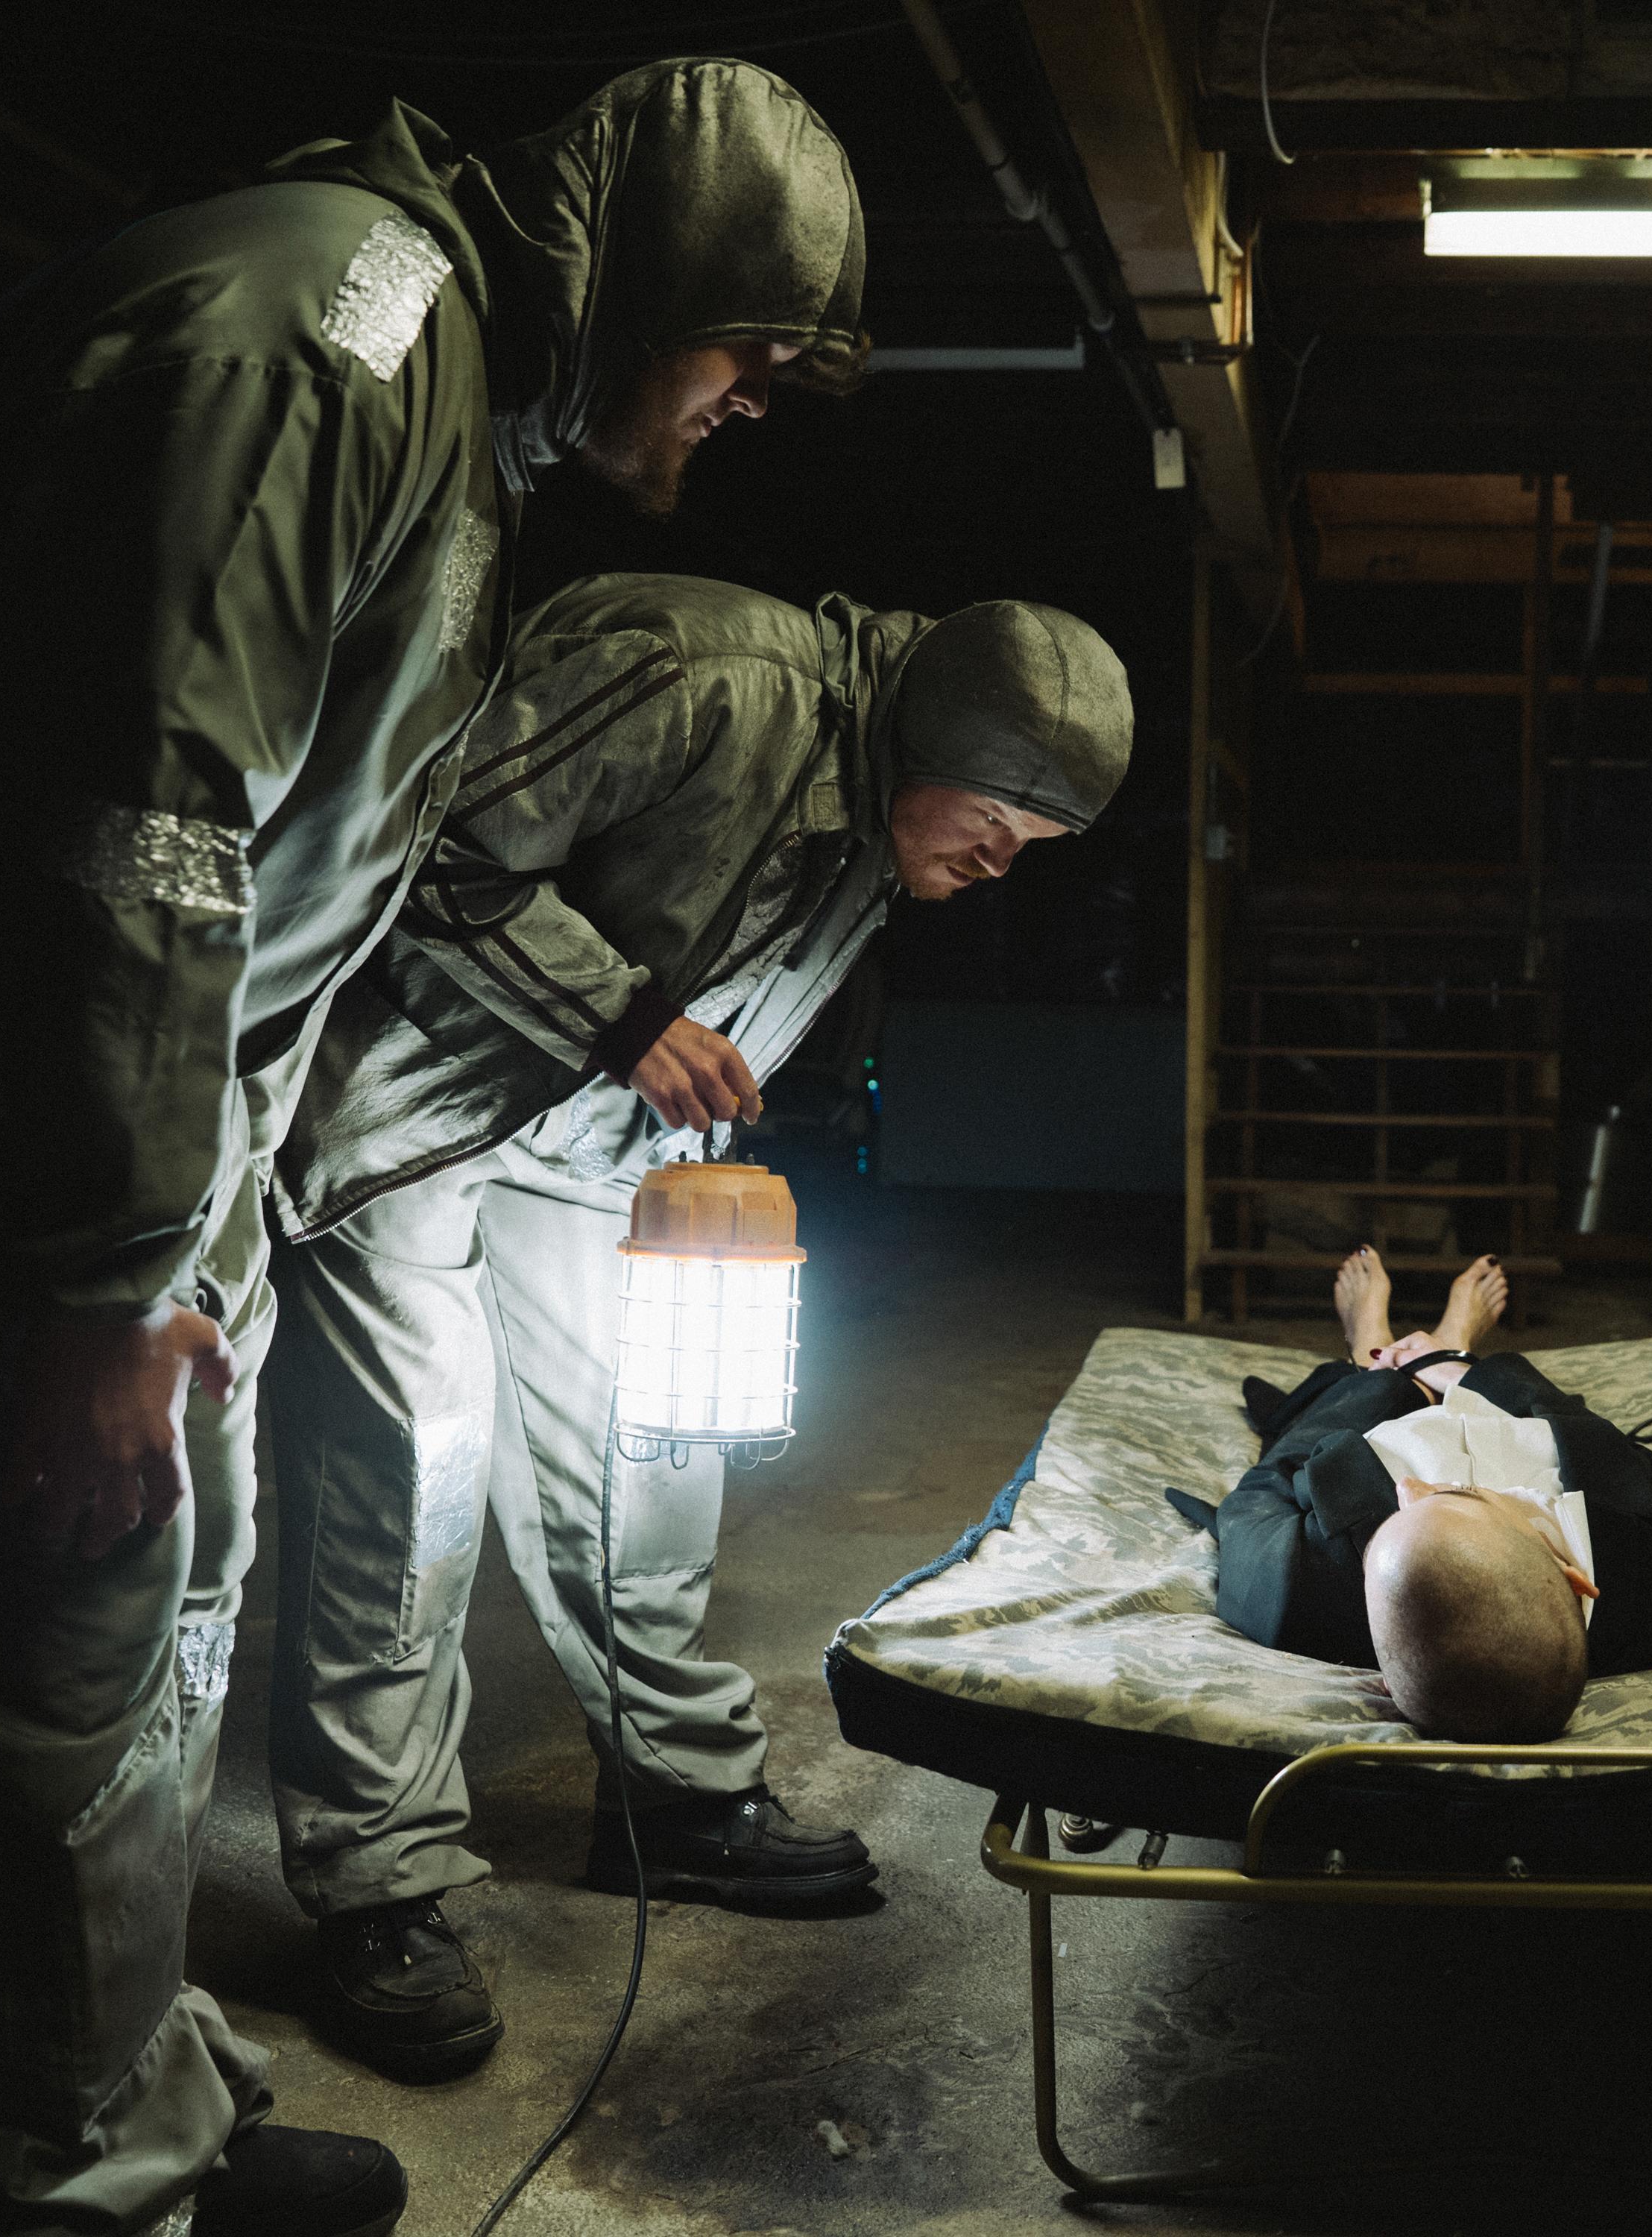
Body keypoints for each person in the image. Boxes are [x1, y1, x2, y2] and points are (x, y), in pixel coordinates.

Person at [0, 66, 866, 2237]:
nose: (750, 406)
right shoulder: (333, 336)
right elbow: (149, 820)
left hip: (119, 1160)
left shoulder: (429, 386)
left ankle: (139, 2111)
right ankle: (52, 2197)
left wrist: (198, 1218)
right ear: (656, 280)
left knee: (157, 1632)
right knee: (44, 1684)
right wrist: (104, 1273)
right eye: (751, 354)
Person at [261, 573, 1132, 2078]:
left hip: (588, 1151)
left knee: (643, 1462)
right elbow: (417, 840)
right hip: (408, 1116)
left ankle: (674, 1800)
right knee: (411, 1487)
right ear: (932, 742)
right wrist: (623, 1019)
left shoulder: (882, 806)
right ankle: (377, 1890)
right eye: (998, 822)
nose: (1005, 863)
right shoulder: (704, 677)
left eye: (1035, 845)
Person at [1168, 1250, 1652, 1740]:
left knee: (1344, 1410)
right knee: (1532, 1412)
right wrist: (1466, 1373)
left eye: (1401, 1515)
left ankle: (1372, 1348)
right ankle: (1448, 1350)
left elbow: (1268, 1483)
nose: (1409, 1487)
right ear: (1571, 1576)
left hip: (1374, 1419)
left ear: (1385, 1682)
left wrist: (1378, 1383)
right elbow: (1635, 1466)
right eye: (1462, 1495)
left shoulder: (1292, 1596)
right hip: (1508, 1414)